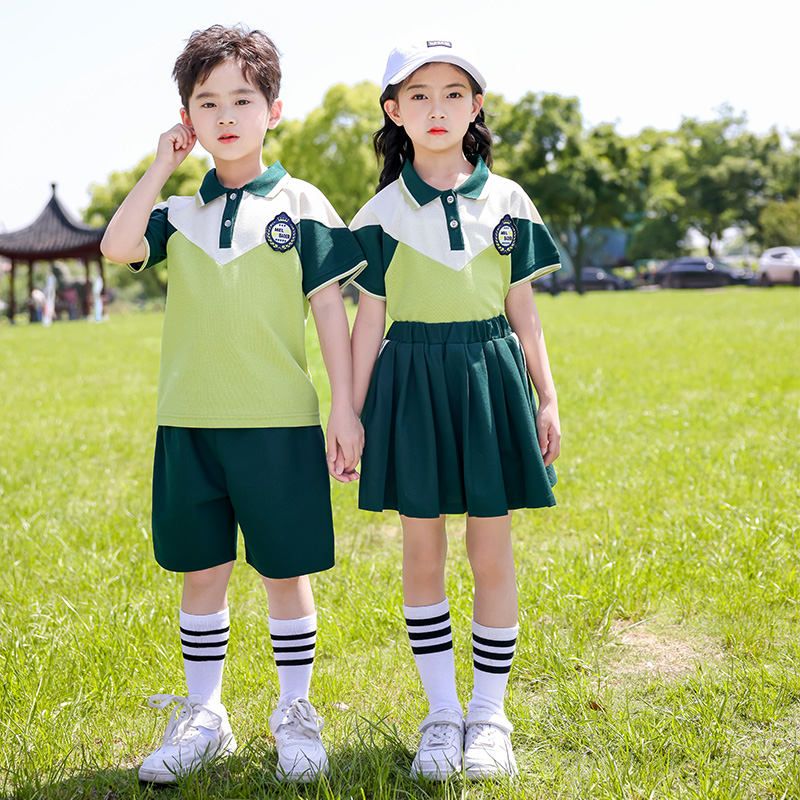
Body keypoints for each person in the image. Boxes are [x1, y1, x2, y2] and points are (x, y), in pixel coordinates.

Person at [101, 25, 365, 785]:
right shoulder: (177, 213)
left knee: (286, 574)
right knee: (203, 572)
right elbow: (117, 247)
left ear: (273, 109)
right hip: (189, 421)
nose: (225, 115)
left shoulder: (304, 203)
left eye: (242, 100)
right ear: (186, 114)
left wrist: (344, 410)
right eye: (205, 101)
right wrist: (160, 166)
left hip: (279, 423)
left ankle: (294, 710)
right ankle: (204, 714)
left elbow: (331, 318)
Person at [350, 40, 561, 781]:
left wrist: (547, 391)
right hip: (408, 379)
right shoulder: (377, 214)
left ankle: (490, 717)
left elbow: (522, 305)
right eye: (418, 95)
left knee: (492, 548)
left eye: (452, 94)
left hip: (488, 376)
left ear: (475, 107)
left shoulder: (509, 201)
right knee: (421, 549)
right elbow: (367, 320)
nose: (435, 109)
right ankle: (442, 716)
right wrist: (349, 411)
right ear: (393, 111)